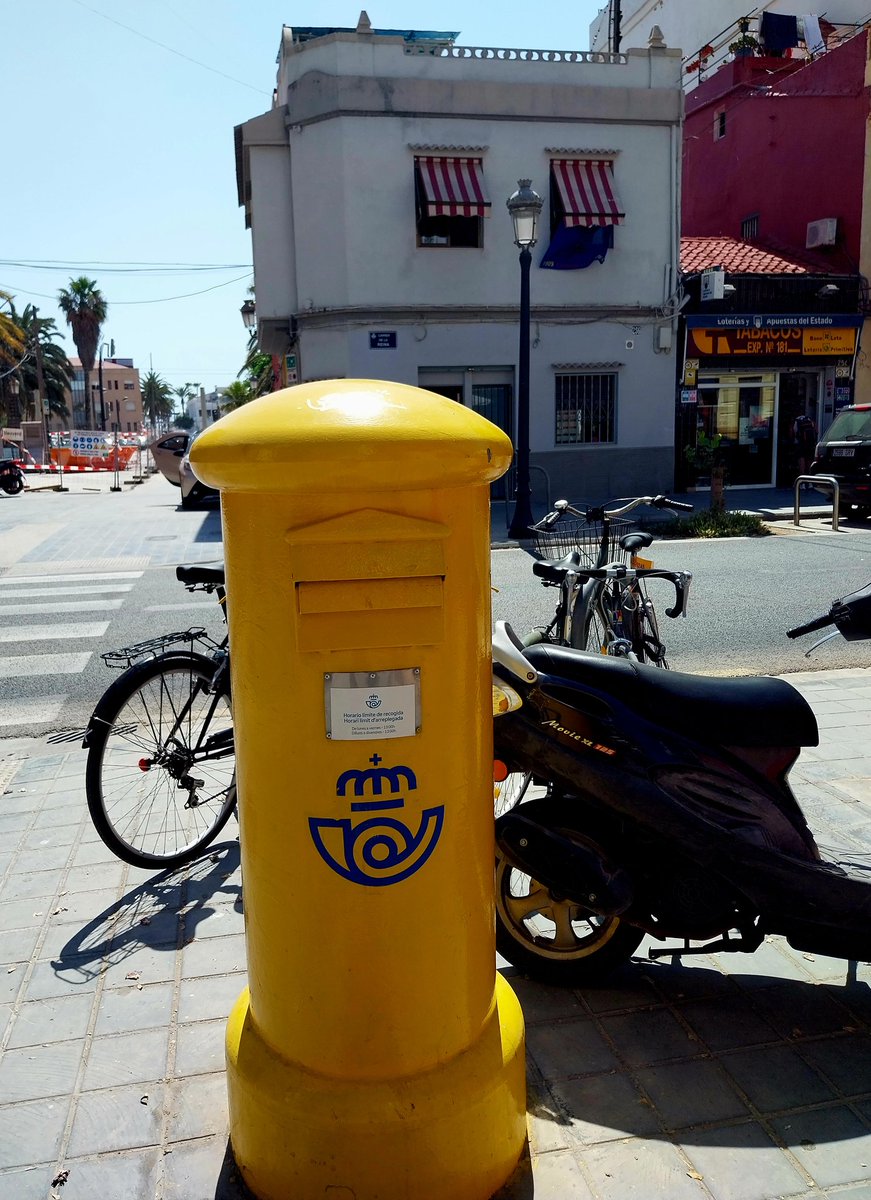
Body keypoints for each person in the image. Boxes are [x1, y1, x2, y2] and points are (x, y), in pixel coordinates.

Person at [794, 412, 817, 479]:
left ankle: (802, 482)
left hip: (801, 444)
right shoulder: (809, 419)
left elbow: (793, 432)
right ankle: (810, 480)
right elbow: (816, 431)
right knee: (809, 461)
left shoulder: (797, 420)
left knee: (801, 461)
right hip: (810, 444)